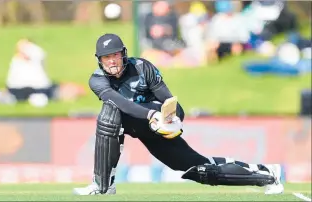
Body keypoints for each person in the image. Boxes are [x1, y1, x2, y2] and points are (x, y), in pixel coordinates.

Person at [73, 33, 284, 195]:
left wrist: (172, 119)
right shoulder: (97, 80)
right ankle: (103, 184)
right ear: (99, 60)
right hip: (138, 120)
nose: (112, 61)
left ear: (124, 54)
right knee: (109, 113)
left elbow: (171, 102)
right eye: (106, 57)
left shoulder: (142, 67)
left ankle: (265, 174)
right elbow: (120, 103)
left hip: (156, 127)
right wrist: (149, 115)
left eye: (115, 55)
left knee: (200, 170)